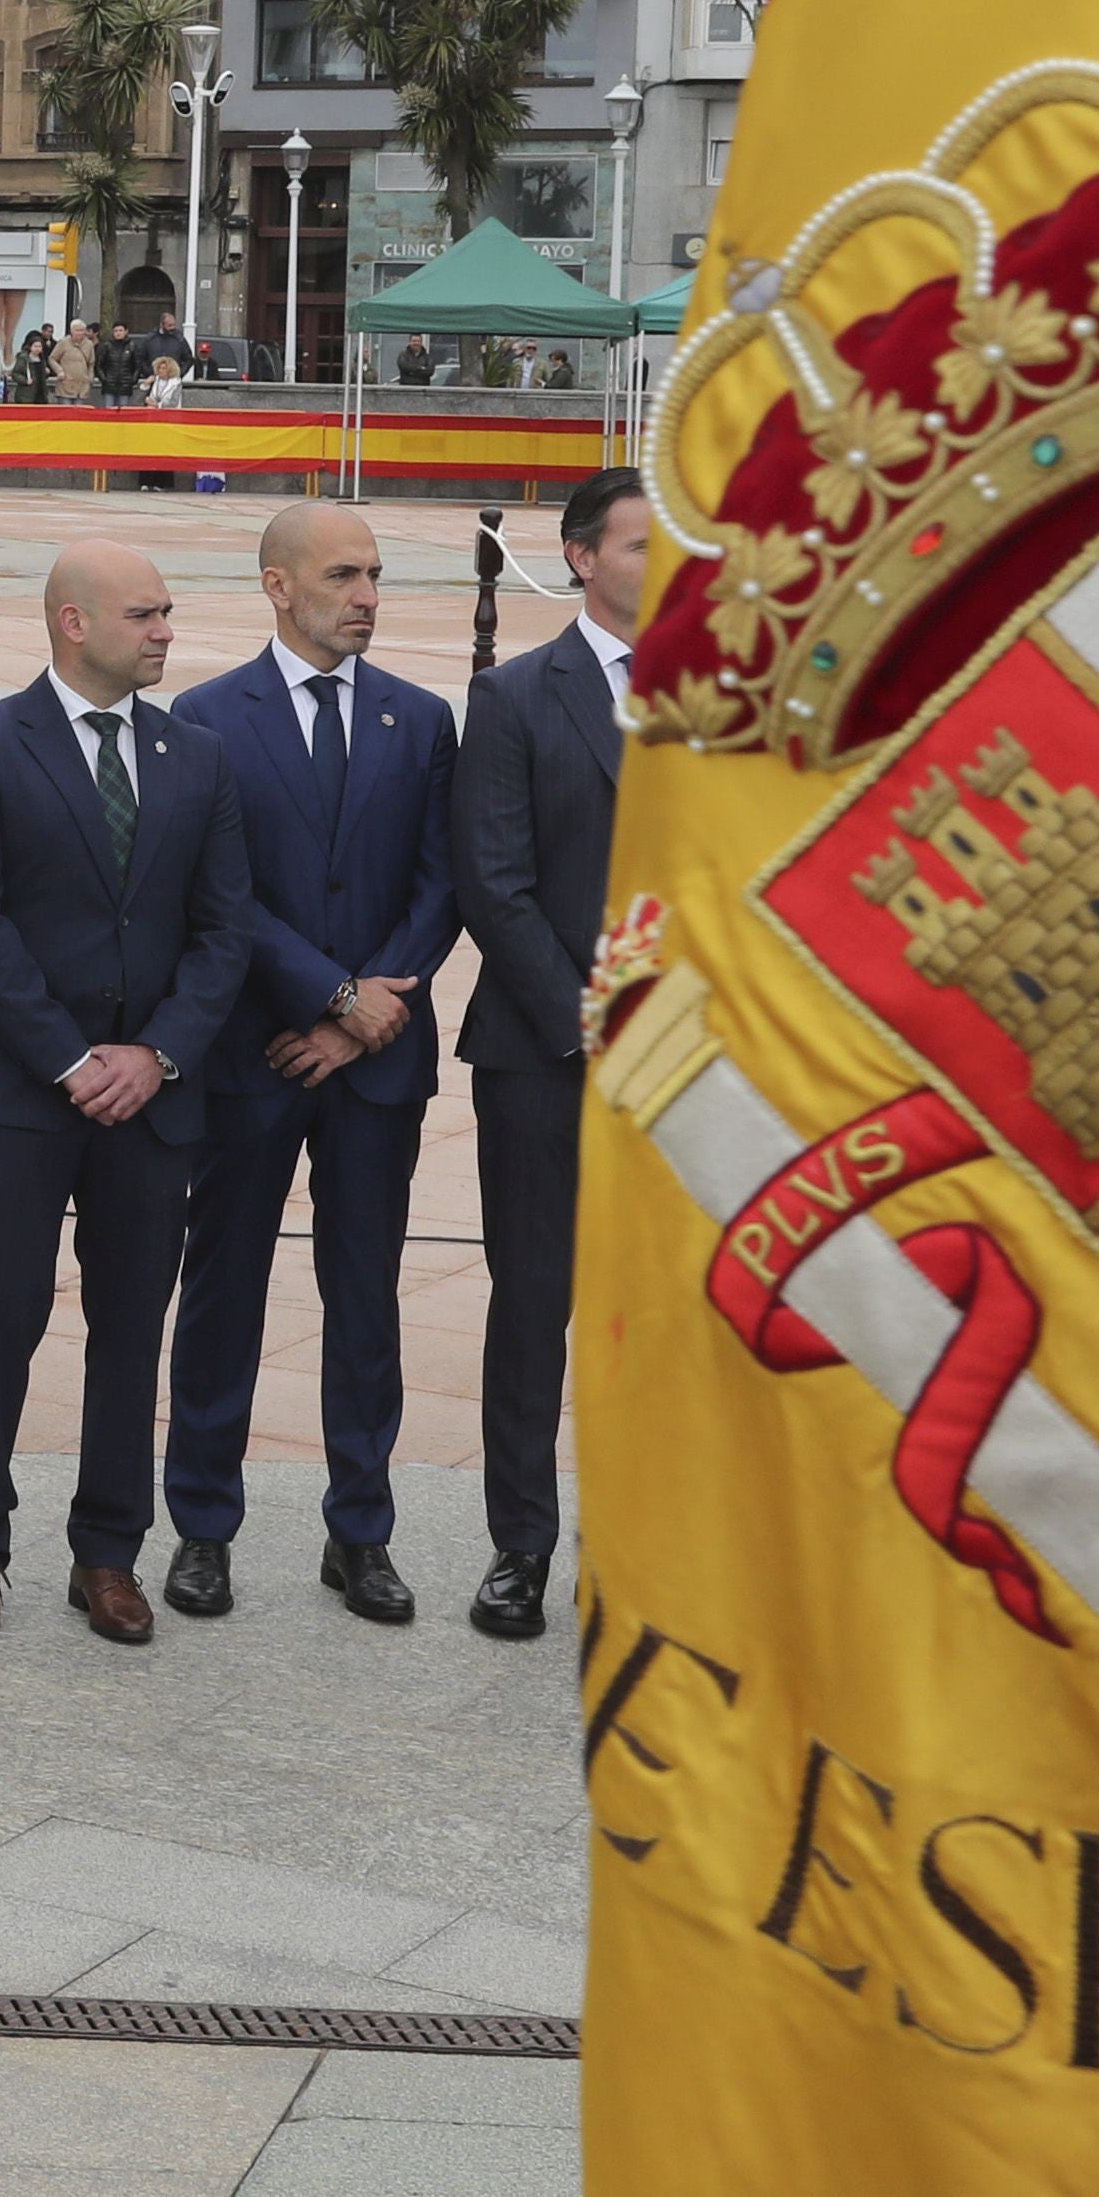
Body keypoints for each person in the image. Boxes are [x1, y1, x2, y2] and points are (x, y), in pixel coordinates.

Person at [0, 538, 253, 1645]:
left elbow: (223, 931)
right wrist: (71, 1059)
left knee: (130, 1327)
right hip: (21, 1090)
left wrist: (155, 1056)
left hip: (153, 1099)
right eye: (147, 615)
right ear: (74, 623)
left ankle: (108, 1553)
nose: (166, 632)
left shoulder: (196, 757)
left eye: (166, 614)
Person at [160, 500, 464, 1627]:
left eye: (376, 575)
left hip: (375, 1065)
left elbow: (442, 885)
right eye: (344, 576)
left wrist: (363, 1013)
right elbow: (221, 896)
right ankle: (202, 1526)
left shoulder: (421, 720)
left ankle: (362, 1531)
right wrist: (328, 996)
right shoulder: (205, 719)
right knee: (224, 1287)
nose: (368, 596)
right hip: (253, 1055)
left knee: (366, 1295)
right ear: (278, 588)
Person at [447, 465, 644, 1644]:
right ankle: (521, 1548)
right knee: (534, 1307)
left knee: (663, 1320)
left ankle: (645, 1551)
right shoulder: (518, 698)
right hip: (544, 1056)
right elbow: (495, 883)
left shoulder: (728, 701)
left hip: (693, 1069)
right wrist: (593, 1019)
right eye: (638, 543)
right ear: (579, 558)